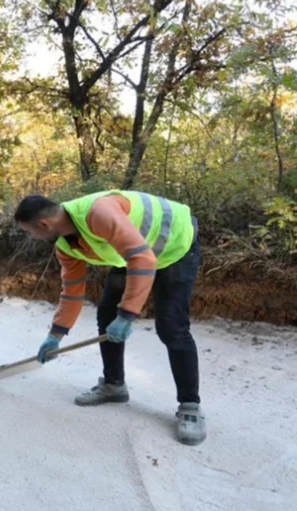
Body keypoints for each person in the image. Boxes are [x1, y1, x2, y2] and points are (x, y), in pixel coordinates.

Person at [13, 190, 206, 446]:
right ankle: (114, 385)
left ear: (43, 224)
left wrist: (127, 315)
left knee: (171, 325)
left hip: (174, 246)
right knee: (106, 313)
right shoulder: (65, 246)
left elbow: (143, 257)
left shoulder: (98, 212)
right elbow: (72, 292)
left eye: (30, 232)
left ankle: (190, 405)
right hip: (135, 250)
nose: (32, 237)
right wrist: (55, 336)